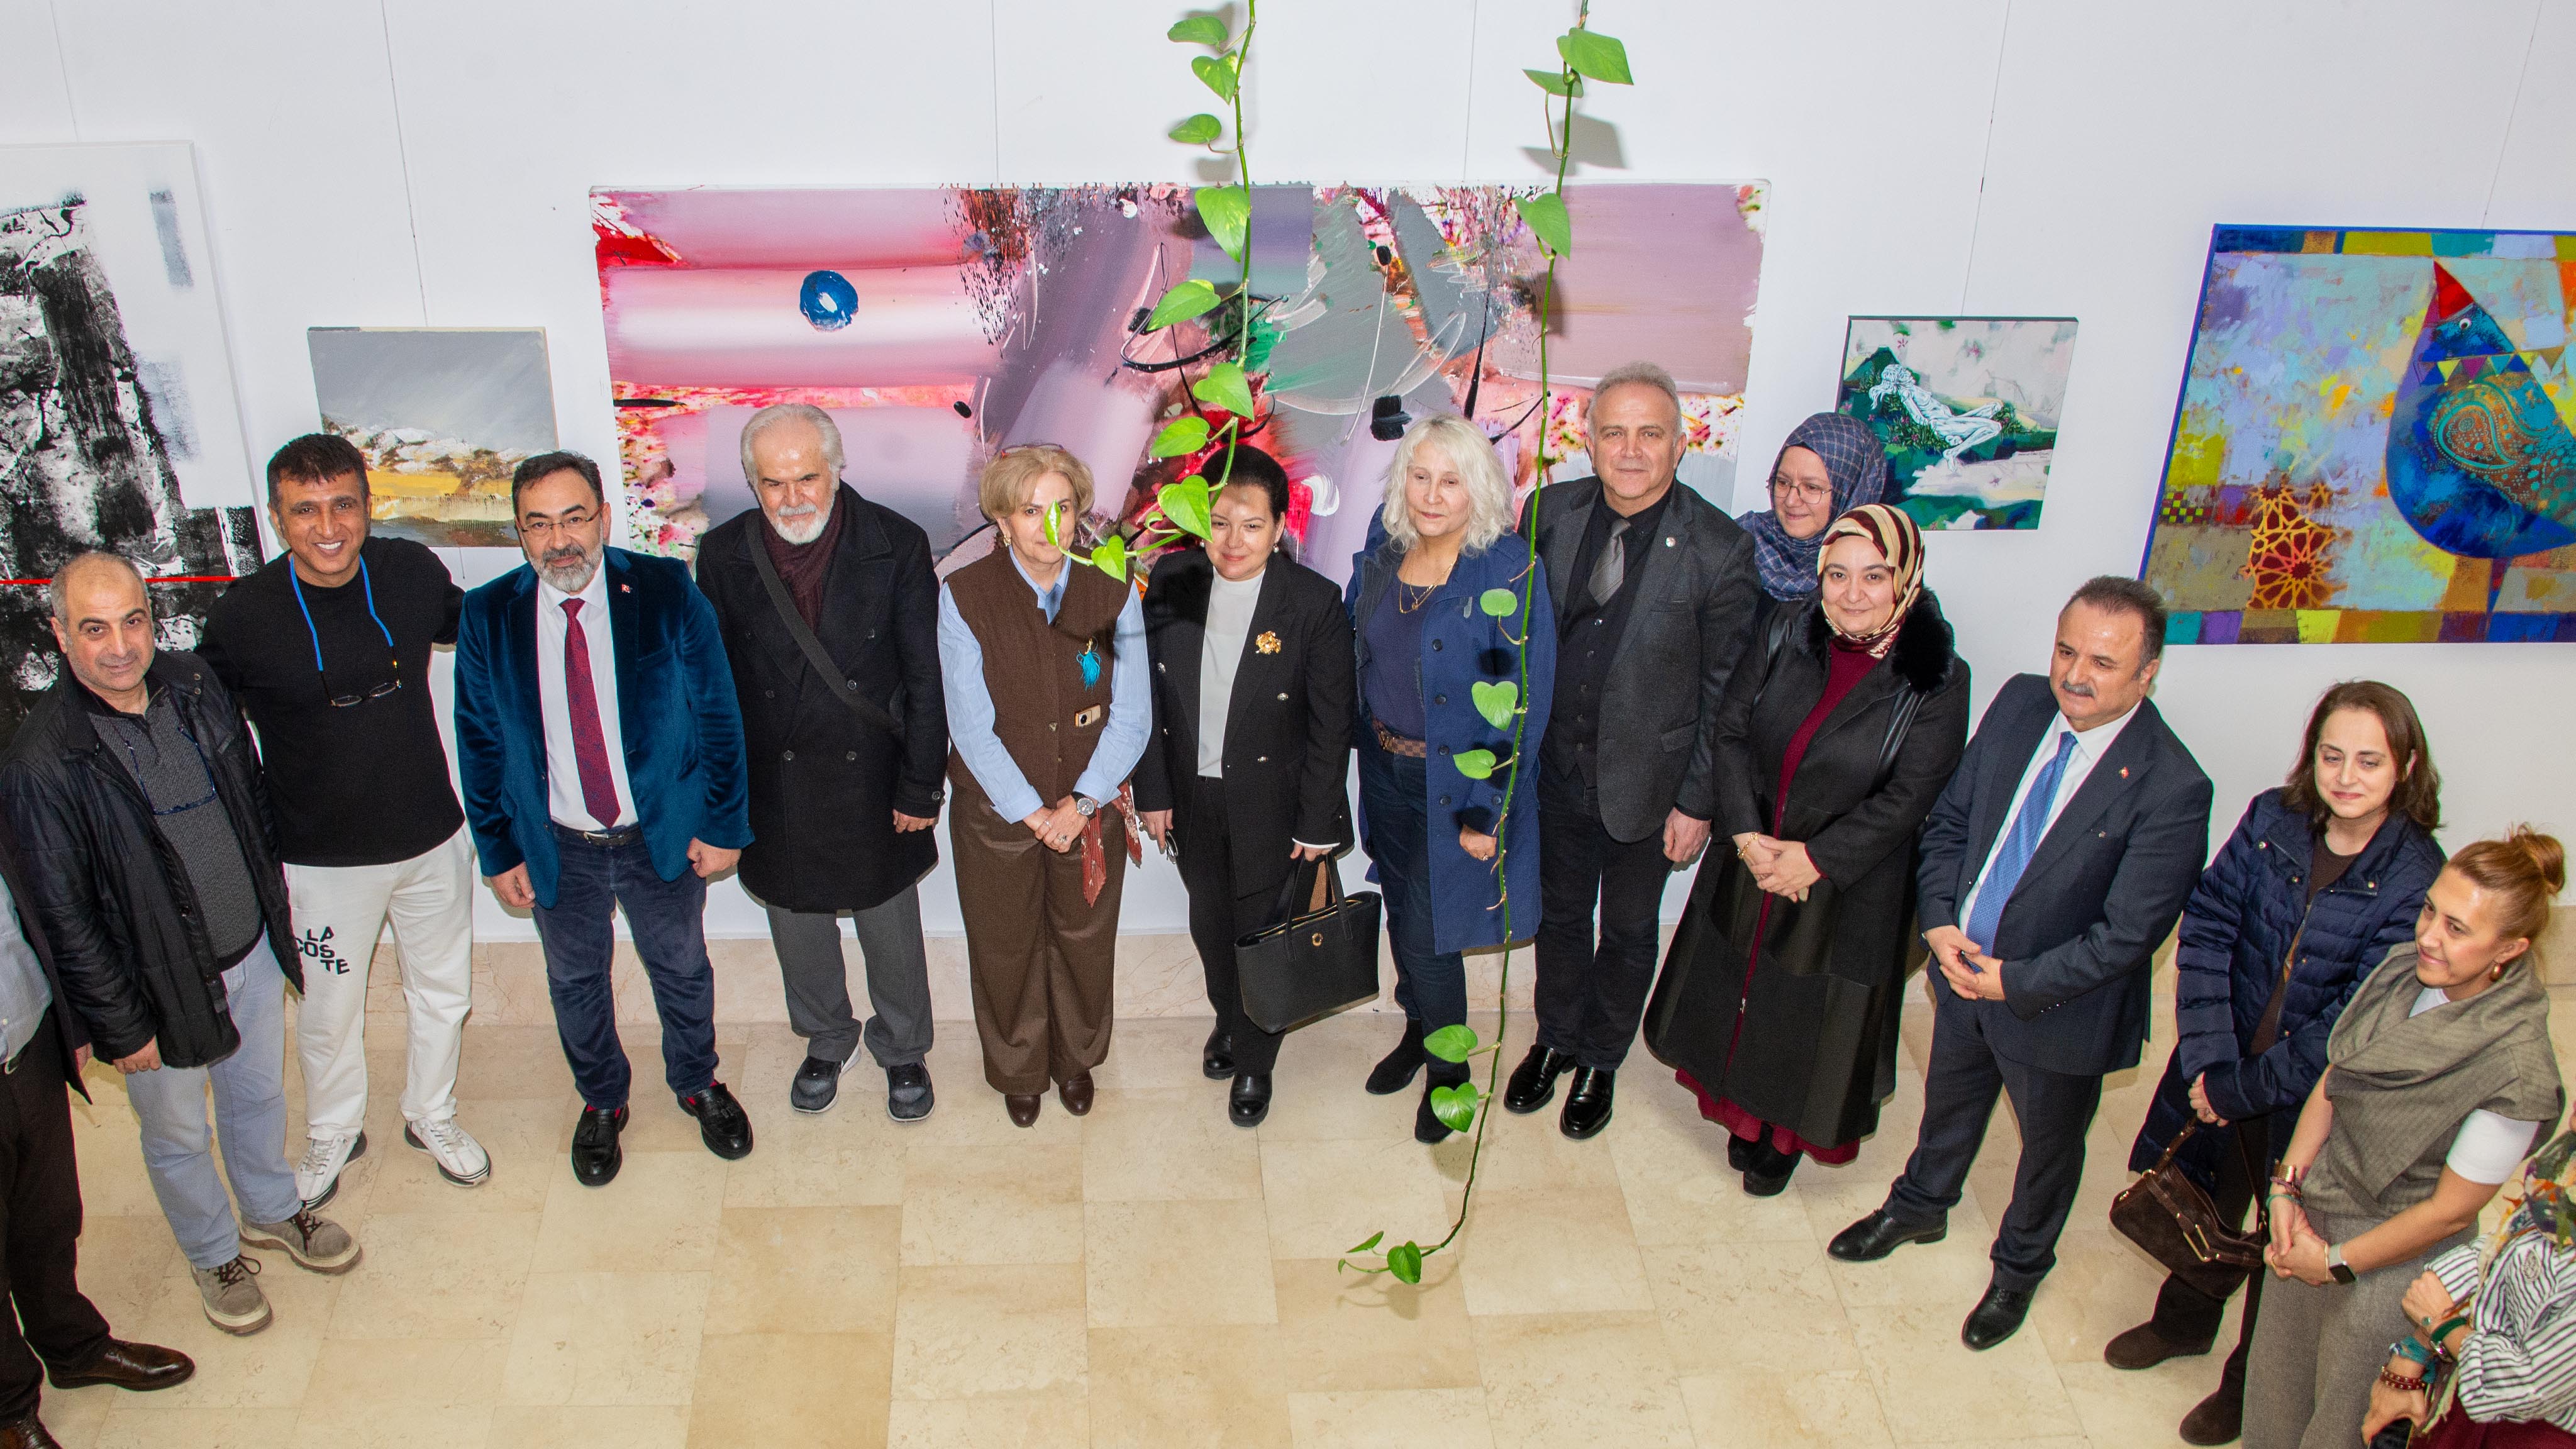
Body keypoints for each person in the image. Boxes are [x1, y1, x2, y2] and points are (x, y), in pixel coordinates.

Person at [1828, 576, 2214, 1352]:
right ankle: (1920, 1203)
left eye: (2103, 663)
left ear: (2148, 673)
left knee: (2047, 1148)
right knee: (1950, 1099)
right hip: (1960, 969)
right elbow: (1949, 824)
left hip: (2058, 1008)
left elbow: (2129, 934)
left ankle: (2020, 1265)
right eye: (2067, 650)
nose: (2075, 675)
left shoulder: (2173, 786)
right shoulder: (2018, 703)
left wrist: (2012, 981)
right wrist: (1937, 925)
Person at [0, 553, 360, 1337]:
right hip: (152, 989)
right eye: (94, 629)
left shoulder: (195, 685)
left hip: (250, 953)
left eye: (133, 621)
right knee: (175, 1133)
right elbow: (63, 916)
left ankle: (271, 1208)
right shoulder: (42, 762)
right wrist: (119, 1025)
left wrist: (272, 920)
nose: (121, 645)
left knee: (258, 1096)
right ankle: (213, 1252)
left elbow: (251, 807)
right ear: (60, 636)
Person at [2107, 681, 2447, 1445]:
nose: (2346, 776)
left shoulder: (2415, 873)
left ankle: (2244, 1382)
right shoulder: (2272, 818)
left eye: (2368, 760)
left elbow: (2351, 1020)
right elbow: (2210, 926)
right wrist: (2211, 1063)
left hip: (2308, 1098)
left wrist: (2246, 1088)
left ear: (2406, 766)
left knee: (2281, 1240)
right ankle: (2183, 1324)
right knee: (2203, 1203)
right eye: (2332, 756)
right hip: (2222, 1066)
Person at [197, 434, 487, 1211]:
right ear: (277, 517)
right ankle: (333, 1127)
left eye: (343, 506)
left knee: (443, 993)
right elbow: (195, 723)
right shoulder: (241, 615)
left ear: (367, 505)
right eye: (305, 511)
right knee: (328, 1010)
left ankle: (431, 1114)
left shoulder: (409, 573)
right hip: (319, 861)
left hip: (431, 836)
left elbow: (492, 632)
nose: (328, 527)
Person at [453, 452, 755, 1187]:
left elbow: (718, 713)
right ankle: (602, 1100)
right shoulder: (488, 613)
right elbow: (479, 737)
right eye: (540, 523)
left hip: (660, 834)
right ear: (520, 533)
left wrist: (723, 825)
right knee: (575, 981)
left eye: (575, 517)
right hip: (559, 843)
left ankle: (697, 1082)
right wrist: (498, 851)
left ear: (604, 517)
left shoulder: (663, 589)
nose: (561, 540)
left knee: (681, 968)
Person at [1650, 504, 1970, 1193]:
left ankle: (1785, 1132)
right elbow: (1730, 731)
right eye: (1836, 574)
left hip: (1850, 881)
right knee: (1741, 981)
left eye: (1873, 576)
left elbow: (1909, 796)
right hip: (1753, 850)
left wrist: (1813, 860)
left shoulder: (1938, 676)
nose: (1851, 594)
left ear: (1906, 579)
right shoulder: (1785, 628)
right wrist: (1744, 835)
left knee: (1807, 1008)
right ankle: (1740, 1110)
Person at [2244, 830, 2567, 1449]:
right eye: (2429, 911)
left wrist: (2334, 1264)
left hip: (2385, 1267)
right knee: (2273, 1404)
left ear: (2511, 947)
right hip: (2312, 1218)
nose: (2427, 937)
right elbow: (2336, 1078)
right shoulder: (2401, 971)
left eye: (2456, 929)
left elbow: (2448, 1214)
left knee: (2335, 1431)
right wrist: (2286, 1189)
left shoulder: (2516, 1070)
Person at [1504, 362, 1759, 1140]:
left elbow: (1726, 697)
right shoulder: (1550, 512)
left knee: (1626, 930)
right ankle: (1554, 1039)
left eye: (1650, 433)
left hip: (1650, 790)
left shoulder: (1719, 548)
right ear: (1588, 440)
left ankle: (1601, 1059)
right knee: (1558, 919)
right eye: (1614, 432)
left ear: (1680, 445)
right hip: (1556, 772)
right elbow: (1520, 643)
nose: (1631, 449)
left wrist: (1697, 802)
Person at [696, 405, 948, 1120]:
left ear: (836, 469)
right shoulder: (722, 555)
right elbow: (712, 687)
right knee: (797, 922)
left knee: (888, 923)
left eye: (806, 477)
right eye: (772, 483)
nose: (792, 497)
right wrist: (722, 799)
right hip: (776, 779)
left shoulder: (896, 543)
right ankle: (826, 1035)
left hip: (874, 772)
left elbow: (925, 678)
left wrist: (921, 786)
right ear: (753, 483)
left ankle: (903, 1047)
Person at [1345, 414, 1557, 1145]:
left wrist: (1484, 812)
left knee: (1434, 935)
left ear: (1482, 488)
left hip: (1455, 788)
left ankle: (1449, 1074)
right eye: (1421, 474)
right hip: (1385, 771)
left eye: (1453, 479)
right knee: (1403, 913)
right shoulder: (1384, 549)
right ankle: (1418, 1031)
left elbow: (1519, 703)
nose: (1433, 494)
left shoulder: (1506, 572)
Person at [1135, 446, 1355, 1128]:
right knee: (1211, 921)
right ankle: (1229, 1018)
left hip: (1276, 802)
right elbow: (1144, 698)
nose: (1233, 541)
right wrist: (1153, 792)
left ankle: (1255, 1060)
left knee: (1261, 932)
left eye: (1251, 525)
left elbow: (1330, 723)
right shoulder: (1171, 579)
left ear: (1280, 527)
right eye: (1220, 522)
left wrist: (1317, 823)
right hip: (1193, 795)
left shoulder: (1312, 602)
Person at [938, 444, 1149, 1127]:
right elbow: (970, 728)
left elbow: (1133, 715)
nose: (1049, 525)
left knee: (1084, 936)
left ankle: (1076, 1060)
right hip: (997, 813)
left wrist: (1081, 803)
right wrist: (1034, 813)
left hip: (1088, 805)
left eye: (1062, 507)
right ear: (1001, 520)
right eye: (1030, 511)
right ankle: (1018, 1068)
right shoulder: (964, 596)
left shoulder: (1114, 590)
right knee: (1005, 942)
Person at [0, 812, 195, 1446]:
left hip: (25, 1045)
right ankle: (10, 1411)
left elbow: (26, 912)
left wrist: (66, 1023)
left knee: (47, 1217)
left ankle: (72, 1347)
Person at [2364, 1114, 2576, 1447]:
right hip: (2473, 1400)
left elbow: (2529, 1385)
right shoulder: (2564, 1171)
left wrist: (2443, 1324)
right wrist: (2414, 1351)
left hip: (2534, 1432)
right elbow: (2501, 1251)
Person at [1738, 413, 1890, 632]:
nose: (1790, 500)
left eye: (1812, 488)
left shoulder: (1881, 577)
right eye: (1782, 482)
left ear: (1850, 493)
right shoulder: (1739, 545)